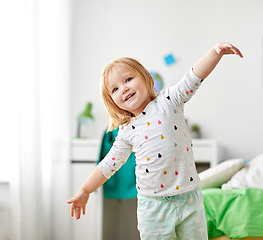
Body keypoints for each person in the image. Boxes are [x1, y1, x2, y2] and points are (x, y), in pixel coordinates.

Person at [67, 42, 243, 239]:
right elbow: (108, 164)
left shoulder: (170, 100)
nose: (123, 89)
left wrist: (215, 53)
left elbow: (193, 77)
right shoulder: (125, 131)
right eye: (115, 89)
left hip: (189, 198)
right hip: (153, 207)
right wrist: (85, 189)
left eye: (128, 79)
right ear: (112, 101)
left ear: (145, 77)